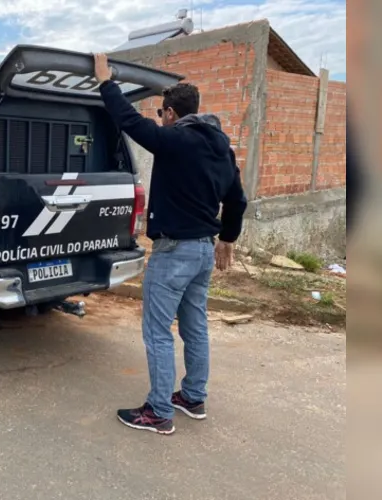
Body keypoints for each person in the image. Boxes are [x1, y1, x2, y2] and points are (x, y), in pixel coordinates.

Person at [93, 53, 248, 435]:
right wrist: (227, 238)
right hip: (201, 253)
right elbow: (238, 200)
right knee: (194, 326)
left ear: (171, 114)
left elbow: (129, 121)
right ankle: (192, 397)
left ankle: (159, 411)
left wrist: (105, 83)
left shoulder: (176, 140)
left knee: (158, 331)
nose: (160, 119)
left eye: (162, 113)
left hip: (174, 252)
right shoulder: (222, 149)